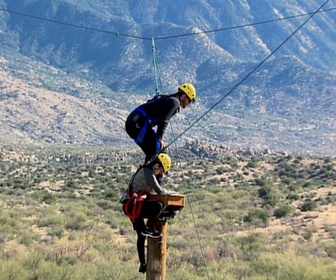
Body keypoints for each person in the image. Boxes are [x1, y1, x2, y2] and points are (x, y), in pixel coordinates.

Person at [120, 153, 176, 273]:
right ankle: (149, 227)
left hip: (131, 205)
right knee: (157, 206)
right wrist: (172, 194)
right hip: (134, 205)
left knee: (141, 235)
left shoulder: (146, 171)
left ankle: (143, 264)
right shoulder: (148, 172)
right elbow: (159, 190)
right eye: (161, 170)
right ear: (156, 165)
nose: (160, 173)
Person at [125, 83, 197, 164]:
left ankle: (144, 172)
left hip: (133, 123)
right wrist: (159, 139)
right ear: (184, 96)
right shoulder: (175, 102)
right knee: (159, 152)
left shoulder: (168, 98)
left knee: (153, 153)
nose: (188, 103)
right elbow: (164, 120)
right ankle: (148, 173)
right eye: (189, 100)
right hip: (138, 124)